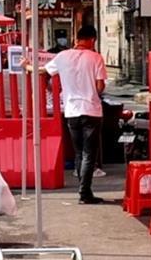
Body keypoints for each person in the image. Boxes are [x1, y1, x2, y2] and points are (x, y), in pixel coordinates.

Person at [32, 24, 107, 204]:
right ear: (92, 40)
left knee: (79, 152)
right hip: (91, 110)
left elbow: (42, 71)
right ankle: (85, 192)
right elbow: (100, 86)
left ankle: (83, 191)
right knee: (89, 154)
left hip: (71, 111)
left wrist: (26, 65)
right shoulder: (96, 57)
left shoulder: (62, 56)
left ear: (76, 39)